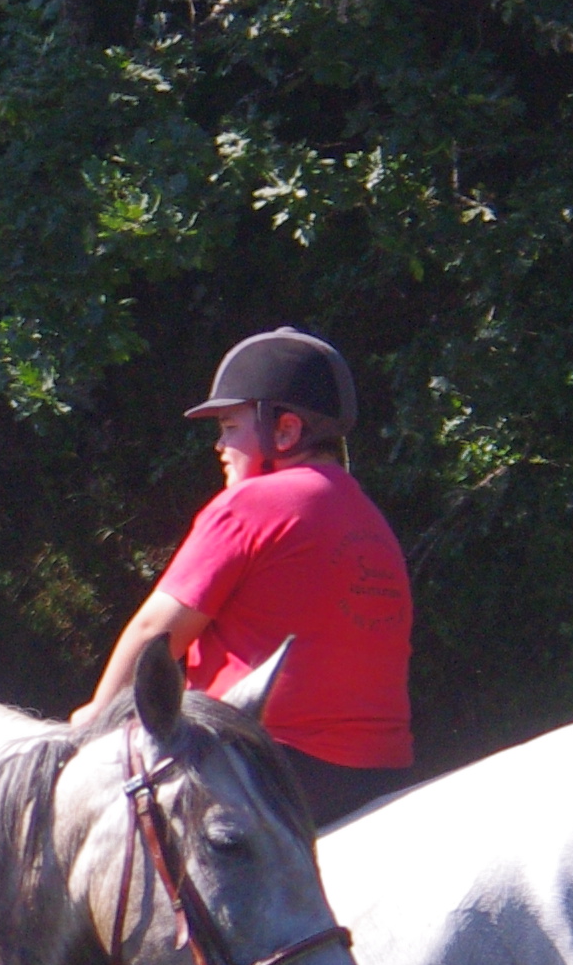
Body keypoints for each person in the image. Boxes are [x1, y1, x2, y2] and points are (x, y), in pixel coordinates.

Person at [82, 327, 415, 825]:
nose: (219, 445)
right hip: (381, 776)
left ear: (284, 432)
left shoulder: (252, 504)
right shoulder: (371, 519)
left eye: (231, 426)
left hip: (268, 770)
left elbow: (156, 631)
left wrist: (92, 719)